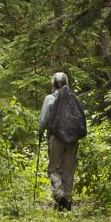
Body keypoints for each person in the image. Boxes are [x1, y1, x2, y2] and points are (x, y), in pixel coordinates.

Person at [38, 71, 85, 211]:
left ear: (53, 83)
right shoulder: (73, 99)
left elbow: (43, 121)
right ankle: (67, 202)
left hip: (56, 138)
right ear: (66, 83)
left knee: (54, 169)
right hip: (73, 140)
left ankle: (60, 197)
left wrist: (40, 132)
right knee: (68, 171)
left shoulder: (49, 99)